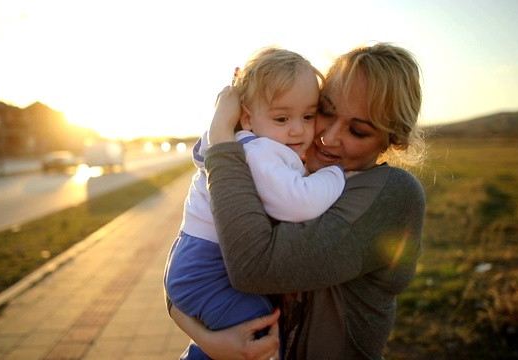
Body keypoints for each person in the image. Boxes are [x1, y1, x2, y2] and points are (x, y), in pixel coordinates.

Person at [169, 42, 427, 360]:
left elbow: (252, 267)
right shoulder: (289, 167)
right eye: (325, 113)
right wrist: (207, 340)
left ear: (393, 139)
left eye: (358, 131)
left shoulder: (392, 195)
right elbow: (187, 277)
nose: (328, 137)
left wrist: (222, 136)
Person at [164, 46, 347, 359]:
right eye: (282, 117)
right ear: (247, 118)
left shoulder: (240, 141)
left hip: (193, 261)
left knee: (241, 335)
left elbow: (201, 151)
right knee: (256, 337)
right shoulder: (261, 151)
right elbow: (297, 202)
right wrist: (337, 175)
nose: (297, 129)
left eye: (308, 116)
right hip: (207, 267)